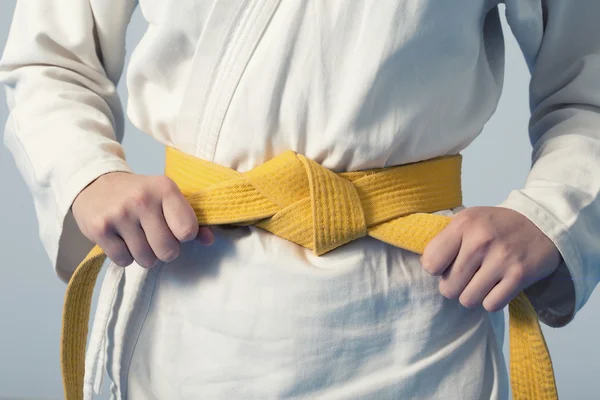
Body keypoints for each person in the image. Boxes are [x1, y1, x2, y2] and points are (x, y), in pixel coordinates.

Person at [1, 0, 599, 399]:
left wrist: (552, 214)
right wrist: (87, 175)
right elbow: (50, 58)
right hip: (191, 308)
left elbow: (589, 83)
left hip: (419, 316)